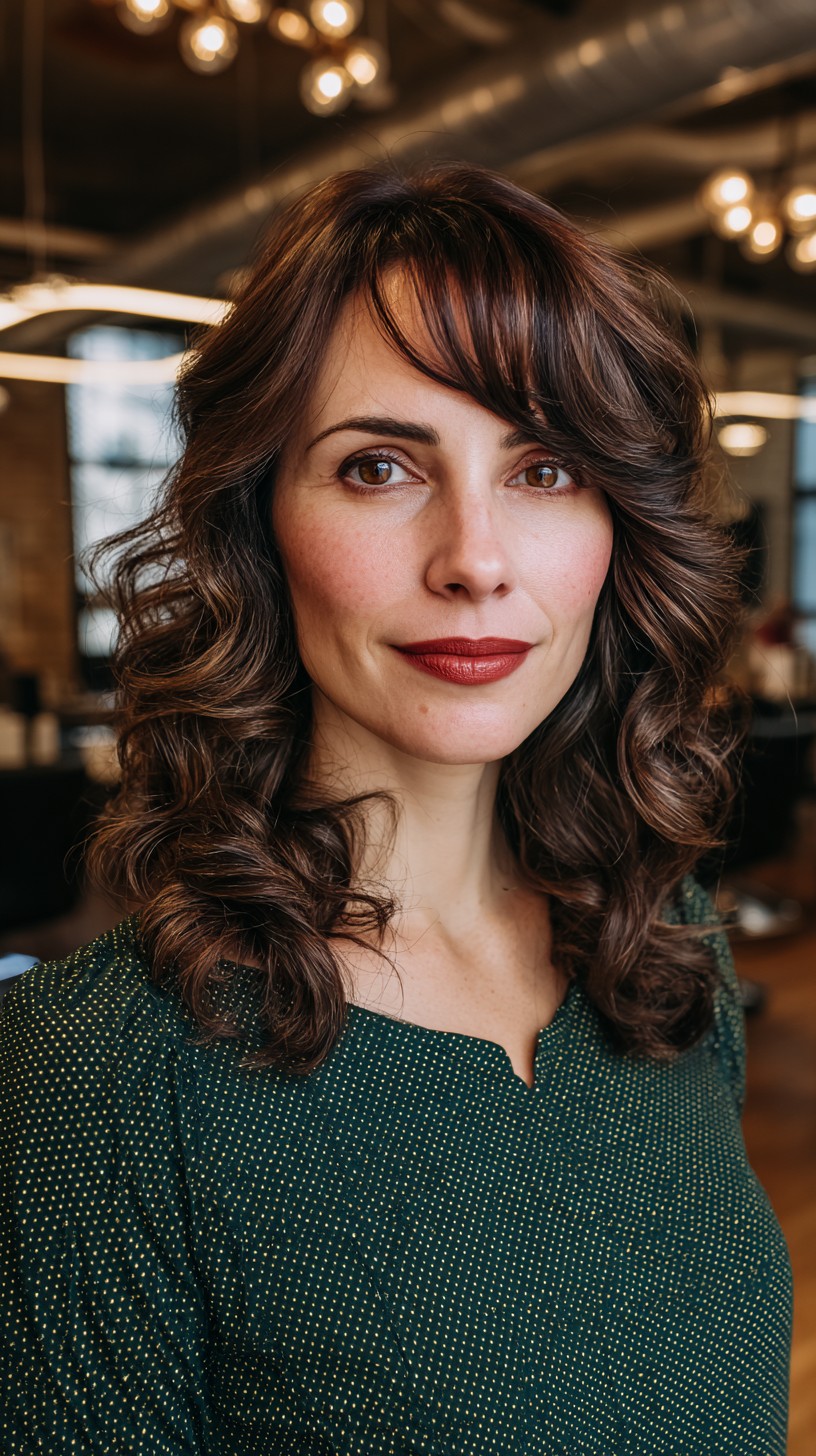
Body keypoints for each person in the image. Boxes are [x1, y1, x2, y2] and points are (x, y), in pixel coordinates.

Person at [0, 161, 793, 1454]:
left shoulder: (662, 948)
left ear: (618, 528)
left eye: (546, 471)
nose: (475, 558)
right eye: (379, 466)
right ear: (261, 517)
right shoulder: (109, 1080)